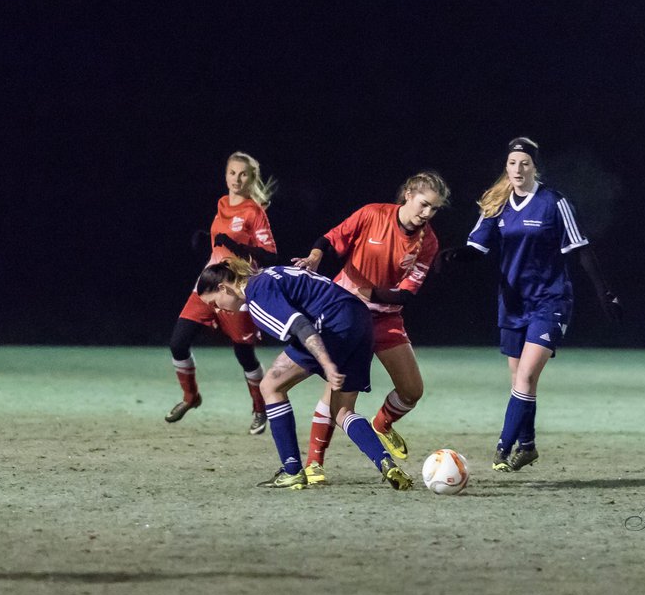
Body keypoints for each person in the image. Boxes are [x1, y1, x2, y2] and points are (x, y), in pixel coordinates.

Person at [439, 137, 621, 472]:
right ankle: (528, 446)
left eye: (524, 163)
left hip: (550, 301)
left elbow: (581, 249)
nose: (518, 169)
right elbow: (477, 247)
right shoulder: (498, 204)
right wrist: (455, 256)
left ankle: (503, 447)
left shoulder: (554, 202)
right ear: (506, 167)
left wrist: (604, 292)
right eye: (512, 163)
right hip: (512, 305)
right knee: (521, 382)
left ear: (535, 166)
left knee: (525, 376)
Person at [196, 258, 413, 491]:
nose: (218, 310)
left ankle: (291, 471)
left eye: (214, 303)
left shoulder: (257, 292)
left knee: (270, 386)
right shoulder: (271, 274)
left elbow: (300, 325)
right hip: (361, 319)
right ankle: (386, 463)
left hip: (331, 324)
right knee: (341, 411)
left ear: (222, 287)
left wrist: (327, 363)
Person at [290, 172, 449, 486]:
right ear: (408, 194)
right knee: (339, 398)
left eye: (434, 209)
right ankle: (314, 464)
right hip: (346, 316)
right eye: (424, 205)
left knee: (412, 390)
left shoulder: (427, 241)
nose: (427, 214)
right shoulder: (372, 214)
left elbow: (405, 294)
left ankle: (382, 423)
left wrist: (369, 293)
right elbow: (329, 239)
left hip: (386, 318)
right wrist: (314, 256)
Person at [166, 152, 278, 435]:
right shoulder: (222, 204)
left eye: (243, 174)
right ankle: (191, 397)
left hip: (237, 291)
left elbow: (270, 255)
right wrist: (209, 240)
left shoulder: (255, 212)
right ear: (225, 175)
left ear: (251, 178)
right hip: (208, 283)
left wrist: (237, 248)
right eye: (232, 173)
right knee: (178, 343)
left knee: (244, 355)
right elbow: (222, 242)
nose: (237, 179)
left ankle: (259, 408)